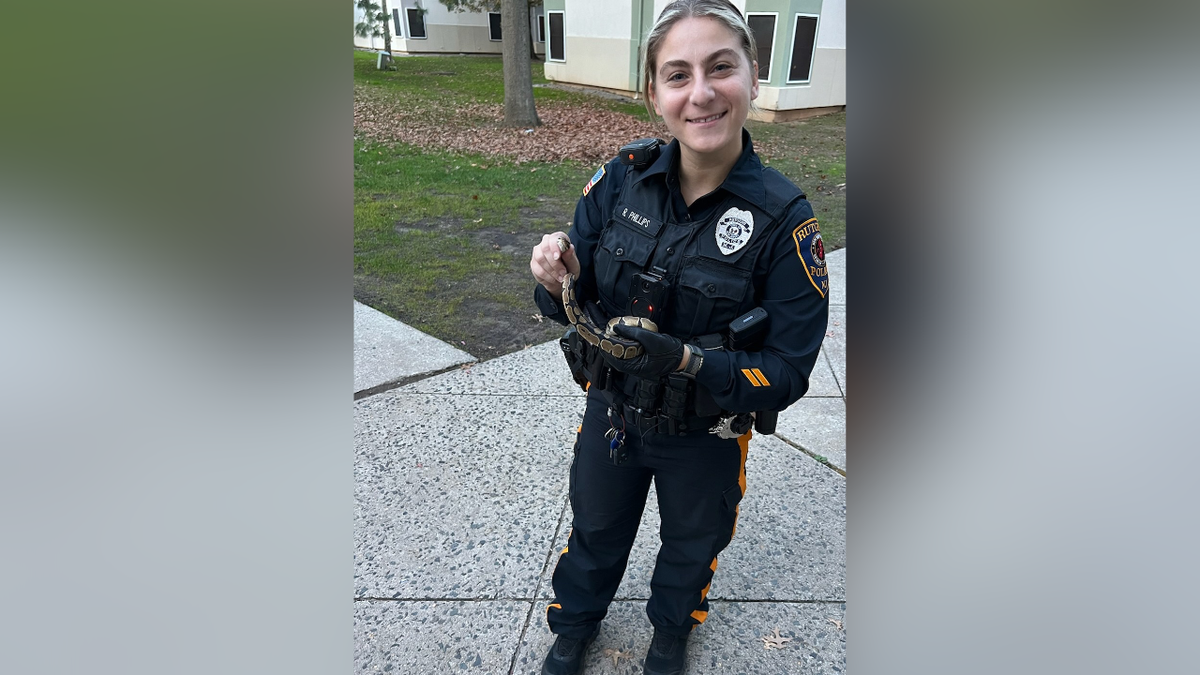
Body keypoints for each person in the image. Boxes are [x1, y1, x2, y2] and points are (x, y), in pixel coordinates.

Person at [528, 1, 829, 673]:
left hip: (707, 434)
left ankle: (670, 633)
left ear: (752, 77)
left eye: (721, 67)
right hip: (612, 412)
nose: (701, 92)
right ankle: (574, 624)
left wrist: (692, 362)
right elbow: (567, 301)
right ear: (654, 95)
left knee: (693, 545)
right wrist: (554, 278)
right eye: (678, 74)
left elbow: (788, 370)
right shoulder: (619, 179)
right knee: (595, 531)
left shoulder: (785, 222)